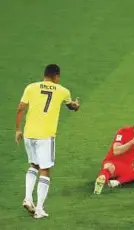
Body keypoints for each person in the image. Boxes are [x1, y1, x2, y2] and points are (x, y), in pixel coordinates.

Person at [15, 64, 80, 218]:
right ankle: (39, 210)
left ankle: (28, 198)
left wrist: (18, 129)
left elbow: (20, 108)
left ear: (45, 75)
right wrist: (76, 106)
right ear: (56, 76)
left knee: (34, 165)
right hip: (45, 136)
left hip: (29, 134)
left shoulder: (31, 87)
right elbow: (71, 106)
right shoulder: (63, 91)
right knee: (45, 170)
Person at [94, 110, 134, 195]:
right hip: (114, 163)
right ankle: (101, 180)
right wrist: (132, 142)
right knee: (109, 168)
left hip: (127, 166)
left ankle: (116, 182)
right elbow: (116, 151)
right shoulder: (123, 131)